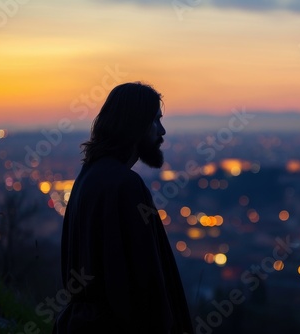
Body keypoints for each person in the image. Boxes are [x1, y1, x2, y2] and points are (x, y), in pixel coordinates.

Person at [53, 82, 194, 333]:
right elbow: (146, 281)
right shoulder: (125, 186)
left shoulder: (89, 178)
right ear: (134, 125)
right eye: (155, 121)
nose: (162, 131)